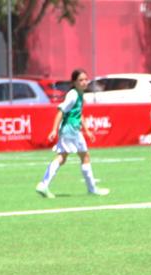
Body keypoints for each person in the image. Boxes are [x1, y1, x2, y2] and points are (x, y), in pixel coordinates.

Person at [36, 68, 109, 198]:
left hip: (69, 130)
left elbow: (79, 114)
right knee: (84, 157)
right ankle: (92, 189)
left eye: (86, 79)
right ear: (74, 82)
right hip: (71, 131)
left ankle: (43, 185)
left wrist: (87, 130)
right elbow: (61, 110)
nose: (84, 82)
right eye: (81, 80)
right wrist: (54, 129)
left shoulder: (79, 94)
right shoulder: (73, 95)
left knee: (62, 157)